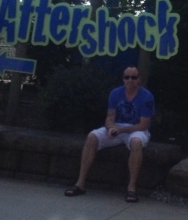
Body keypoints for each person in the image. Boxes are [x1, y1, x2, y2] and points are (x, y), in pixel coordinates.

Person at [65, 66, 154, 203]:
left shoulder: (147, 96)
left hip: (137, 130)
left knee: (136, 142)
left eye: (133, 77)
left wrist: (121, 130)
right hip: (117, 127)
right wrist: (110, 127)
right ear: (123, 78)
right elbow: (110, 116)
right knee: (92, 136)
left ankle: (131, 187)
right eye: (127, 77)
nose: (130, 80)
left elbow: (143, 125)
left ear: (139, 79)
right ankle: (80, 183)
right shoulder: (115, 93)